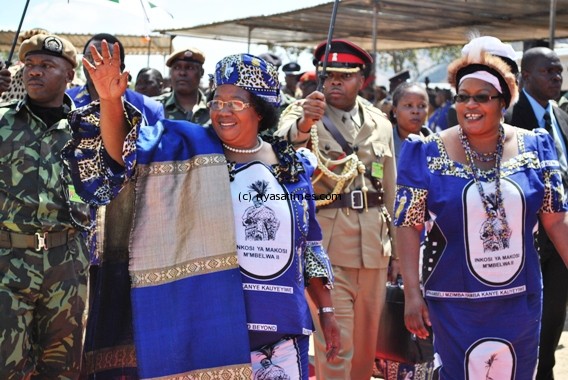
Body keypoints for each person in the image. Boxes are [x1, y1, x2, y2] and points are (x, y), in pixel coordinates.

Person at [63, 41, 340, 379]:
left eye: (235, 103)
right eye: (217, 101)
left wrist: (326, 310)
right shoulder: (183, 147)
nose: (223, 111)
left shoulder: (291, 166)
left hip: (279, 329)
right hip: (205, 325)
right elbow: (123, 152)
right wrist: (109, 100)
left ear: (259, 110)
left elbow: (308, 246)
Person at [394, 35, 568, 379]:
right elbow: (407, 225)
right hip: (453, 304)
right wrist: (412, 294)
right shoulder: (425, 153)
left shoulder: (536, 147)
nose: (469, 105)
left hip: (519, 302)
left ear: (504, 101)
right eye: (462, 97)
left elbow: (557, 223)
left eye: (482, 97)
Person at [276, 38, 398, 380]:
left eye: (345, 76)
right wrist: (304, 125)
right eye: (328, 75)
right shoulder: (305, 112)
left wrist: (399, 255)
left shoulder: (380, 123)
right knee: (335, 345)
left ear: (363, 80)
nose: (334, 83)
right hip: (326, 249)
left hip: (375, 249)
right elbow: (284, 144)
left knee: (364, 348)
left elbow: (390, 190)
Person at [0, 33, 91, 379]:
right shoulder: (3, 121)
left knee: (61, 367)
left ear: (70, 75)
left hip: (65, 263)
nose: (34, 72)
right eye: (30, 65)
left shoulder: (86, 131)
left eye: (47, 66)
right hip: (7, 263)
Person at [504, 46, 568, 380]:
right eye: (548, 72)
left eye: (559, 72)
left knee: (555, 315)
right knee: (524, 316)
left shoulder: (561, 116)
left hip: (561, 235)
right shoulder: (509, 117)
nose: (556, 78)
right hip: (524, 237)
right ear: (525, 76)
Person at [67, 33, 164, 126]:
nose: (95, 63)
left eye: (105, 57)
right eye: (89, 56)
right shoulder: (66, 101)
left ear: (121, 67)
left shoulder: (149, 108)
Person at [153, 47, 210, 124]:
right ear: (171, 73)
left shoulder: (214, 109)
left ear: (201, 72)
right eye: (177, 67)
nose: (182, 73)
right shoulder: (154, 107)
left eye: (189, 67)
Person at [391, 82, 433, 161]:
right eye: (408, 105)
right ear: (394, 111)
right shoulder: (383, 146)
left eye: (421, 106)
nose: (415, 111)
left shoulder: (439, 147)